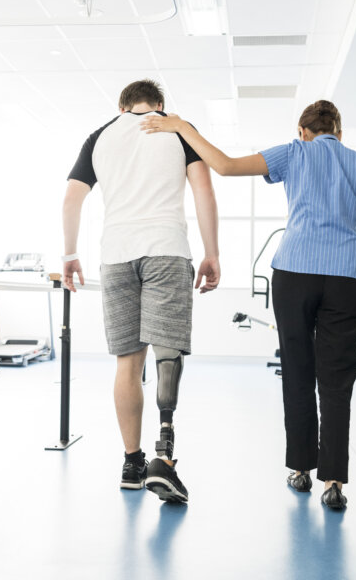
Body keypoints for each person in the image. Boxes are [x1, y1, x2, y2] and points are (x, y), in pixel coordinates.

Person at [141, 100, 356, 509]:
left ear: (303, 130)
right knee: (337, 382)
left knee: (297, 370)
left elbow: (224, 166)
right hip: (349, 276)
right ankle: (333, 481)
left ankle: (300, 469)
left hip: (295, 273)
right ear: (339, 132)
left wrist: (181, 126)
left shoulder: (294, 152)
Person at [62, 79, 220, 503]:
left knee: (127, 364)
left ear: (122, 105)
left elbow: (72, 199)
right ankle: (163, 457)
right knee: (167, 352)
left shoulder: (100, 136)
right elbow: (204, 190)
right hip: (167, 249)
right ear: (160, 105)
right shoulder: (176, 128)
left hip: (115, 254)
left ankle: (131, 461)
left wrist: (69, 254)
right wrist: (212, 253)